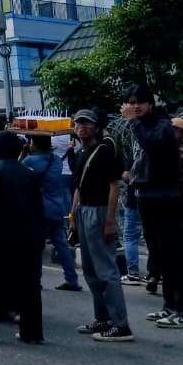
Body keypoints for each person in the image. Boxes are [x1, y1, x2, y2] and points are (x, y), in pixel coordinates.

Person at [125, 86, 183, 328]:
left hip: (166, 199)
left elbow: (153, 147)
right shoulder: (144, 126)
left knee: (174, 256)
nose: (135, 107)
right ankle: (169, 306)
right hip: (148, 198)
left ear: (151, 104)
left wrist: (133, 123)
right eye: (132, 102)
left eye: (140, 102)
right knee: (161, 256)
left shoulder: (163, 126)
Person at [69, 109, 133, 342]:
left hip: (98, 211)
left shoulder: (105, 150)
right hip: (84, 210)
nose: (82, 127)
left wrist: (109, 222)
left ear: (97, 127)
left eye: (87, 123)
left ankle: (121, 325)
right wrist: (73, 214)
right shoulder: (82, 152)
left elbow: (113, 187)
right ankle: (103, 318)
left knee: (105, 270)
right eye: (78, 123)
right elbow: (78, 187)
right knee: (90, 270)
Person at [0, 130, 44, 344]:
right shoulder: (29, 172)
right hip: (28, 236)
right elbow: (38, 207)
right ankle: (32, 331)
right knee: (30, 286)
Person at [22, 134, 81, 291]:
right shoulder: (55, 159)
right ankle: (72, 279)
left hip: (40, 209)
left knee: (36, 247)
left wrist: (23, 153)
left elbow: (21, 175)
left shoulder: (29, 161)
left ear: (35, 143)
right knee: (61, 245)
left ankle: (36, 281)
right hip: (57, 206)